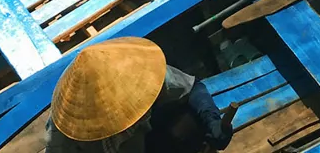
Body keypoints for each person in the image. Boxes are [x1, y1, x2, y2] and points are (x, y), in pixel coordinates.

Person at [44, 38, 231, 153]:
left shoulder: (140, 75)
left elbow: (193, 89)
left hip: (145, 140)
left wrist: (212, 120)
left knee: (190, 122)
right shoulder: (64, 134)